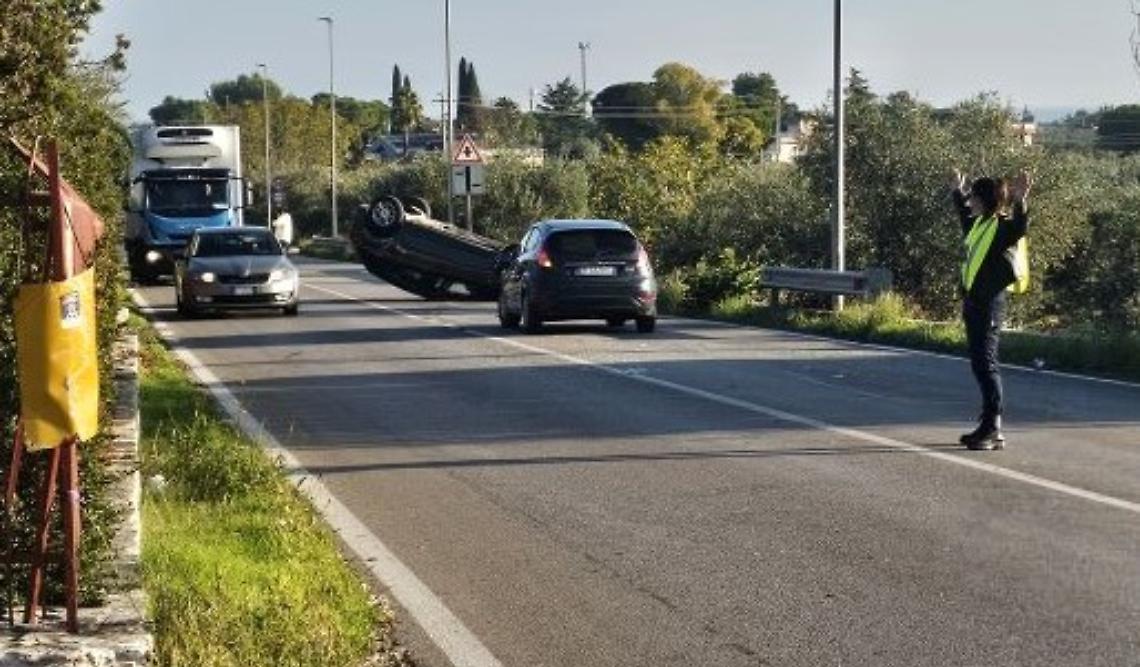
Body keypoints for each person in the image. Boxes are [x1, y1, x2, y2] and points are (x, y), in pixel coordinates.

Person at [949, 169, 1031, 450]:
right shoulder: (979, 225)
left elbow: (1020, 228)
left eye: (972, 195)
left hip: (989, 304)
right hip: (974, 302)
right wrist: (957, 191)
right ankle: (989, 427)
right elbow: (963, 217)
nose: (969, 200)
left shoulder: (1001, 226)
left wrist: (1021, 199)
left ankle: (992, 428)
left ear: (984, 199)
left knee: (986, 364)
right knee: (979, 364)